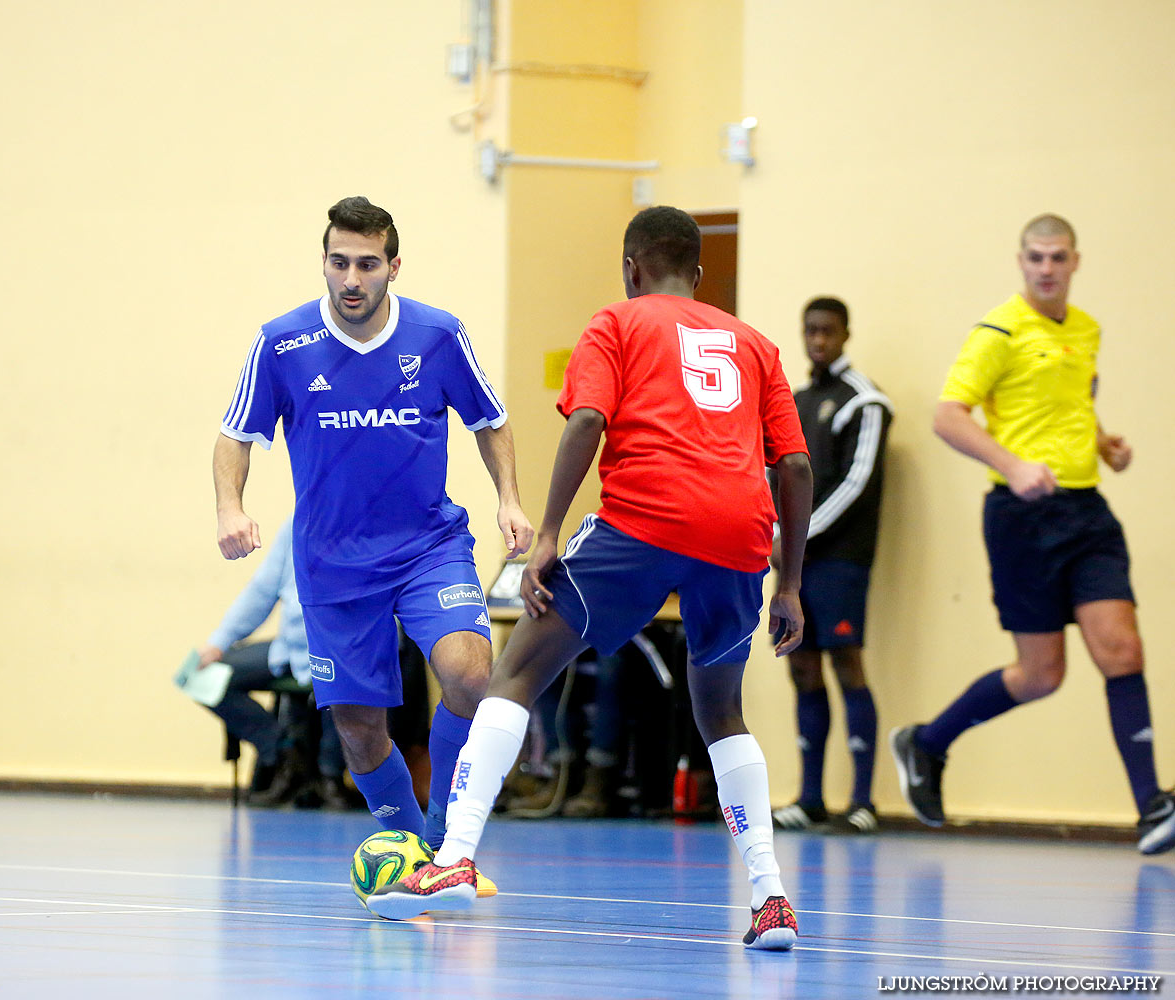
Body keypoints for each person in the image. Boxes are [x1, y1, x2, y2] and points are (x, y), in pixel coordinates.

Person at [368, 206, 813, 951]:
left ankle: (452, 860)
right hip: (740, 535)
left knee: (514, 673)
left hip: (643, 519)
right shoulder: (756, 345)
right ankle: (771, 899)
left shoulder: (618, 323)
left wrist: (545, 536)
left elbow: (585, 424)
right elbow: (794, 465)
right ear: (698, 275)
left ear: (630, 267)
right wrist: (790, 582)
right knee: (721, 714)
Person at [212, 197, 533, 871]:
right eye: (338, 263)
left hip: (428, 548)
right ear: (323, 264)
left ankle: (447, 835)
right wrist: (230, 509)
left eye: (366, 264)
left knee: (471, 678)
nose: (351, 279)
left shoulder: (439, 335)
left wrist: (509, 499)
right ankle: (414, 851)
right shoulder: (282, 343)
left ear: (393, 267)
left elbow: (491, 420)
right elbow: (235, 435)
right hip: (333, 564)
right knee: (360, 731)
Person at [890, 214, 1175, 856]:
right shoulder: (998, 331)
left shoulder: (1087, 330)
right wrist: (1012, 466)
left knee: (1122, 650)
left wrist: (1104, 443)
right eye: (1036, 258)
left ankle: (1152, 806)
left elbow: (1068, 404)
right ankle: (927, 743)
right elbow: (946, 417)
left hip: (1087, 513)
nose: (1047, 268)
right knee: (1042, 675)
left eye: (1058, 258)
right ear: (1021, 262)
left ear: (1076, 262)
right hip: (1022, 521)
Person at [772, 297, 892, 834]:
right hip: (792, 563)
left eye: (828, 331)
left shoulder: (864, 402)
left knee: (847, 664)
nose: (818, 340)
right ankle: (811, 797)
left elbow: (856, 483)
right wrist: (774, 534)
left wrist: (797, 534)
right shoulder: (795, 401)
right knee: (802, 667)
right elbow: (775, 473)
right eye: (810, 330)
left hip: (840, 559)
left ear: (845, 334)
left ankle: (863, 802)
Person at [195, 513, 344, 806]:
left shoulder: (367, 525)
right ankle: (285, 751)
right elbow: (261, 592)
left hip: (342, 654)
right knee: (201, 677)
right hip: (289, 651)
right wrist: (219, 641)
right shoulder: (295, 525)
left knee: (351, 690)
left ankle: (329, 776)